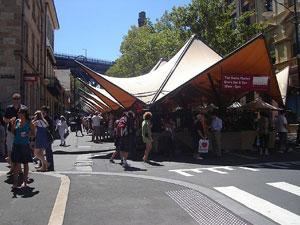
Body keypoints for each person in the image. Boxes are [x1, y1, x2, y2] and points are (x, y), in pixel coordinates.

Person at [10, 106, 35, 189]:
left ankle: (24, 181)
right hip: (16, 144)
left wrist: (27, 135)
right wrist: (12, 125)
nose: (17, 114)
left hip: (24, 145)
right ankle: (15, 182)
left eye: (19, 112)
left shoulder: (29, 123)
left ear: (23, 113)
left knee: (25, 163)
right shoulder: (17, 121)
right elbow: (14, 133)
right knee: (16, 164)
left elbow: (33, 134)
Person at [3, 93, 25, 175]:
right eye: (14, 98)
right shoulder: (9, 108)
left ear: (20, 99)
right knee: (10, 149)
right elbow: (4, 119)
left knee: (20, 149)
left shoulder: (23, 108)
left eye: (17, 98)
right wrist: (10, 120)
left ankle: (19, 169)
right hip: (10, 131)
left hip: (20, 131)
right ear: (12, 99)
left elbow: (27, 118)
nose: (16, 100)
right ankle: (12, 168)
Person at [41, 106, 55, 171]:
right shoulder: (48, 118)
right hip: (48, 137)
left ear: (45, 111)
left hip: (47, 137)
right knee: (47, 152)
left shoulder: (46, 119)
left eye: (42, 110)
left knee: (47, 152)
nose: (41, 112)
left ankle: (47, 165)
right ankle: (48, 165)